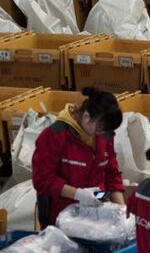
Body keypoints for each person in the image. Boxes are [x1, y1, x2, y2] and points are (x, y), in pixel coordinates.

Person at [32, 87, 125, 228]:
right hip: (61, 219)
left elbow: (112, 175)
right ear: (87, 117)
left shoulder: (104, 136)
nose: (102, 134)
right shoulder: (55, 135)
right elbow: (42, 180)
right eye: (100, 128)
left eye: (106, 130)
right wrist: (79, 194)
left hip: (97, 217)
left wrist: (122, 211)